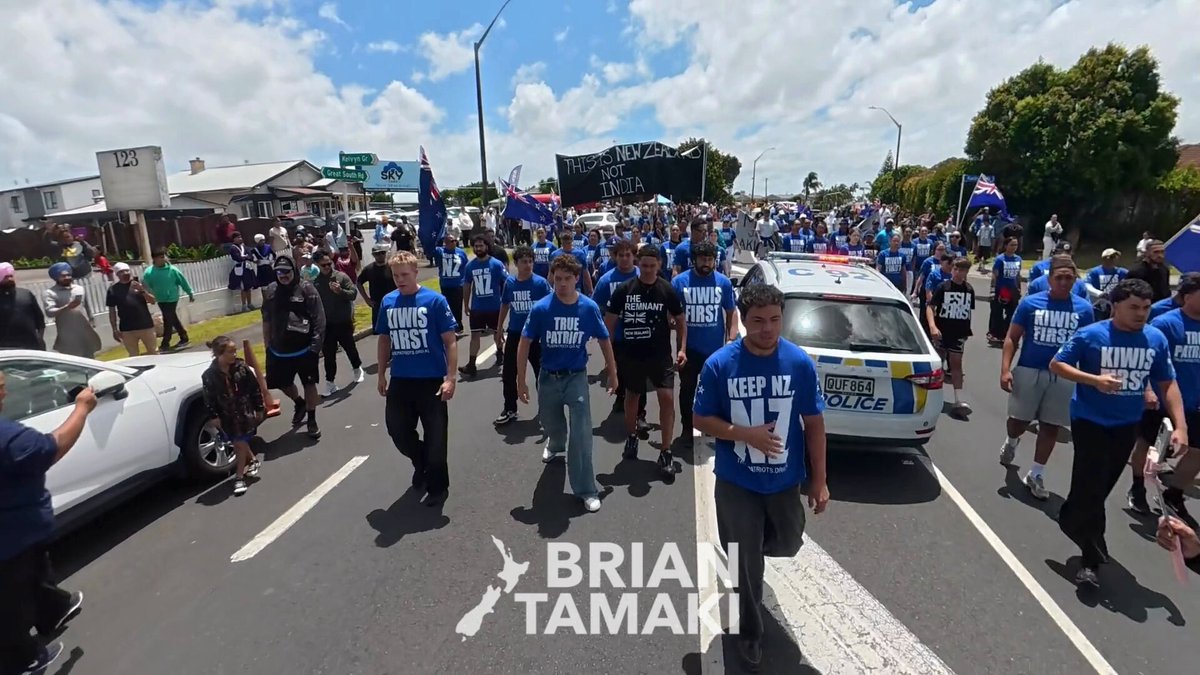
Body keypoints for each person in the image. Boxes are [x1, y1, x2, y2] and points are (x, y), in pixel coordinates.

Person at [691, 283, 829, 672]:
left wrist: (819, 480)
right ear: (742, 320)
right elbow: (700, 419)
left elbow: (815, 424)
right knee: (745, 563)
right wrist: (745, 434)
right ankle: (749, 632)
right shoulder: (720, 364)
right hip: (738, 482)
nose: (767, 329)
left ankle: (753, 559)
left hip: (784, 481)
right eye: (758, 321)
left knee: (788, 541)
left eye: (774, 320)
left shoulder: (798, 363)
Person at [1050, 278, 1188, 588]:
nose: (1141, 314)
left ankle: (1072, 516)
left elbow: (1167, 383)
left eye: (1145, 308)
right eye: (1133, 308)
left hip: (1126, 424)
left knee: (1099, 488)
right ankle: (1091, 560)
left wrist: (1181, 426)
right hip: (1090, 421)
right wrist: (1093, 380)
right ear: (1115, 307)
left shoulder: (1155, 339)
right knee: (1091, 484)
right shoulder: (1091, 335)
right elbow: (1058, 364)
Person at [0, 370, 95, 675]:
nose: (5, 394)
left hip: (23, 533)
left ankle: (54, 610)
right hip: (12, 536)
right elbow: (50, 448)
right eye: (1, 388)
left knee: (35, 571)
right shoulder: (8, 437)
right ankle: (23, 660)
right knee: (11, 601)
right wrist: (81, 407)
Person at [518, 253, 617, 512]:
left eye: (567, 279)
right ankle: (555, 443)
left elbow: (605, 340)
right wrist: (521, 380)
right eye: (557, 278)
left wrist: (613, 374)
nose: (561, 284)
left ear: (576, 279)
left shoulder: (588, 307)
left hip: (576, 376)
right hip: (549, 377)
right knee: (550, 422)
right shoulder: (541, 308)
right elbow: (525, 342)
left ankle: (585, 488)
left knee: (582, 432)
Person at [999, 256, 1095, 498]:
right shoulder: (1031, 304)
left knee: (1051, 426)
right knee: (1018, 422)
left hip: (1064, 376)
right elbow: (1012, 338)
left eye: (1069, 278)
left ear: (1075, 279)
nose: (1064, 282)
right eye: (1059, 277)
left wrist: (1088, 380)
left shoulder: (1084, 309)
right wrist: (1005, 369)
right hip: (1030, 370)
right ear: (1049, 278)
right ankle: (1011, 441)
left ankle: (1036, 473)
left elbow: (1087, 346)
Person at [375, 251, 458, 507]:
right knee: (397, 429)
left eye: (404, 275)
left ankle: (437, 486)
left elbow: (450, 341)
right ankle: (420, 461)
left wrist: (451, 377)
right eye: (396, 275)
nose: (400, 280)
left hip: (431, 380)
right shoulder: (388, 302)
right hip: (401, 379)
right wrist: (380, 373)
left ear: (415, 273)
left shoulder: (434, 301)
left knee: (435, 437)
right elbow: (384, 339)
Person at [1127, 273, 1200, 526]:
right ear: (1188, 297)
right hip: (1161, 400)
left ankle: (1174, 494)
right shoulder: (1166, 324)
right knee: (1147, 445)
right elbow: (1147, 358)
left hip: (1195, 403)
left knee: (1196, 452)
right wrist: (1147, 389)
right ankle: (1137, 487)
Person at [605, 244, 687, 471]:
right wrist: (609, 356)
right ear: (637, 264)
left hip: (660, 355)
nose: (648, 270)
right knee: (632, 397)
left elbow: (680, 320)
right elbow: (609, 323)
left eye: (652, 265)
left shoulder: (667, 289)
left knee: (667, 399)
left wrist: (682, 349)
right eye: (644, 266)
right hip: (632, 354)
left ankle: (666, 450)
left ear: (659, 264)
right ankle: (631, 437)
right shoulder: (624, 289)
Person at [673, 241, 738, 447]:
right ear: (694, 260)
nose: (706, 264)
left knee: (716, 392)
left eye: (710, 260)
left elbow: (731, 313)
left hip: (715, 350)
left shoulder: (723, 283)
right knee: (687, 390)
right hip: (689, 349)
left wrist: (730, 339)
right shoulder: (680, 282)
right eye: (703, 259)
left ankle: (714, 428)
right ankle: (686, 430)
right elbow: (670, 313)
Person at [260, 256, 325, 440]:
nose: (283, 275)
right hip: (278, 350)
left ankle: (311, 420)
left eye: (286, 271)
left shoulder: (307, 289)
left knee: (309, 384)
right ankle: (299, 402)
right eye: (279, 272)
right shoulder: (271, 291)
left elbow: (319, 319)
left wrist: (316, 345)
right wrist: (267, 345)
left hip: (305, 349)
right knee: (281, 384)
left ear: (293, 271)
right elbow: (266, 319)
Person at [201, 336, 265, 496]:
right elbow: (209, 398)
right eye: (230, 351)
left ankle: (239, 476)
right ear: (219, 354)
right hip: (227, 415)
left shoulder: (242, 368)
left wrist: (259, 407)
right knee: (237, 441)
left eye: (235, 351)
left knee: (239, 441)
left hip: (244, 412)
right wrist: (214, 415)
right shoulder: (209, 375)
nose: (234, 354)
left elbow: (254, 388)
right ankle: (253, 461)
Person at [494, 246, 552, 426]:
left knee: (541, 373)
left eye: (530, 261)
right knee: (509, 372)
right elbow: (504, 305)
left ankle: (546, 408)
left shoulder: (541, 284)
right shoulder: (510, 283)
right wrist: (498, 329)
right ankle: (510, 408)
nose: (528, 265)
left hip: (536, 336)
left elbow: (550, 307)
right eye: (523, 262)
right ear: (516, 264)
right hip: (515, 333)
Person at [926, 258, 976, 416]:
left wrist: (967, 330)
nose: (958, 273)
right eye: (956, 269)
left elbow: (967, 311)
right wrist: (933, 326)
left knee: (956, 365)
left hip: (959, 332)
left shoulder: (969, 289)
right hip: (942, 330)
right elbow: (930, 307)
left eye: (962, 270)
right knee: (937, 364)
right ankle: (931, 395)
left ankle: (958, 399)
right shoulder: (943, 287)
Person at [311, 250, 363, 397]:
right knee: (329, 354)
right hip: (326, 325)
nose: (327, 266)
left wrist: (340, 291)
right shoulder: (315, 282)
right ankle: (330, 382)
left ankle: (357, 368)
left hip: (342, 321)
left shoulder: (341, 276)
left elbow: (353, 294)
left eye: (329, 263)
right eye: (324, 265)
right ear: (318, 265)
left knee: (349, 347)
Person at [460, 236, 508, 376]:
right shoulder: (470, 266)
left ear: (487, 247)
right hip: (477, 308)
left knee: (496, 333)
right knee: (474, 336)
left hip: (494, 306)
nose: (478, 248)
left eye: (481, 246)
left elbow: (507, 282)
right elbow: (467, 285)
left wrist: (507, 300)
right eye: (476, 246)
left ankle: (500, 353)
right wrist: (466, 304)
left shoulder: (496, 264)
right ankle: (471, 364)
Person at [42, 263, 101, 358]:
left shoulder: (79, 289)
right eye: (63, 276)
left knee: (91, 360)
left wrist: (91, 319)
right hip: (67, 335)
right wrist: (67, 307)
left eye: (68, 275)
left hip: (84, 332)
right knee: (74, 362)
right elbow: (50, 312)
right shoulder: (50, 293)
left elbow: (87, 305)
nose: (67, 277)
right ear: (56, 277)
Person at [143, 248, 195, 352]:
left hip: (172, 298)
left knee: (167, 319)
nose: (164, 259)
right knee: (172, 317)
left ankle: (165, 343)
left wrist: (190, 293)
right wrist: (147, 296)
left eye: (164, 256)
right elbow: (146, 286)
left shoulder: (173, 270)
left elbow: (182, 282)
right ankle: (184, 337)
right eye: (161, 257)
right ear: (155, 259)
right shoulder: (149, 272)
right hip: (160, 299)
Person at [106, 262, 158, 357]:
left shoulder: (140, 284)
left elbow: (153, 300)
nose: (125, 273)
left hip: (146, 325)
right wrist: (114, 329)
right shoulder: (113, 290)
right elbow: (112, 311)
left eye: (127, 271)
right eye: (122, 272)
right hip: (127, 329)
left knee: (153, 352)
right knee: (133, 356)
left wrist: (142, 290)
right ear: (117, 274)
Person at [0, 263, 46, 351]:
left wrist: (40, 339)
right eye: (5, 277)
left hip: (31, 346)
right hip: (4, 349)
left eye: (11, 276)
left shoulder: (26, 294)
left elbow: (40, 320)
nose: (9, 279)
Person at [433, 233, 469, 336]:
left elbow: (465, 267)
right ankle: (450, 325)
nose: (454, 242)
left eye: (455, 240)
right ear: (446, 242)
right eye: (451, 241)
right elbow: (431, 249)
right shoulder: (440, 252)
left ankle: (458, 325)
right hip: (445, 284)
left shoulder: (461, 253)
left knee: (457, 306)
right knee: (447, 306)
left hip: (458, 284)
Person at [988, 238, 1023, 342]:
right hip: (1001, 289)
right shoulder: (1000, 259)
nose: (1014, 247)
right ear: (1006, 245)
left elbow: (1017, 275)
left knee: (1011, 313)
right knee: (996, 312)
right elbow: (995, 275)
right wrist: (993, 290)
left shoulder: (1018, 259)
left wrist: (1019, 288)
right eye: (1011, 245)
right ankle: (994, 333)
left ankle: (1005, 333)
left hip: (1012, 290)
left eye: (1016, 245)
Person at [358, 243, 398, 332]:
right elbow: (359, 282)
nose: (380, 255)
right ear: (373, 255)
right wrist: (367, 299)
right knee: (380, 332)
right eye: (377, 254)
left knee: (396, 329)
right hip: (377, 305)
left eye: (382, 253)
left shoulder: (392, 267)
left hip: (394, 303)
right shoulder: (369, 269)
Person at [226, 231, 256, 313]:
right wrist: (245, 257)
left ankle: (250, 303)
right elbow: (237, 258)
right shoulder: (233, 248)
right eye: (238, 237)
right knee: (243, 287)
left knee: (248, 286)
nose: (240, 239)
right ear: (234, 239)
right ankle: (244, 305)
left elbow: (250, 256)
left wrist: (246, 257)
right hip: (239, 269)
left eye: (240, 237)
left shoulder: (244, 247)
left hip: (246, 268)